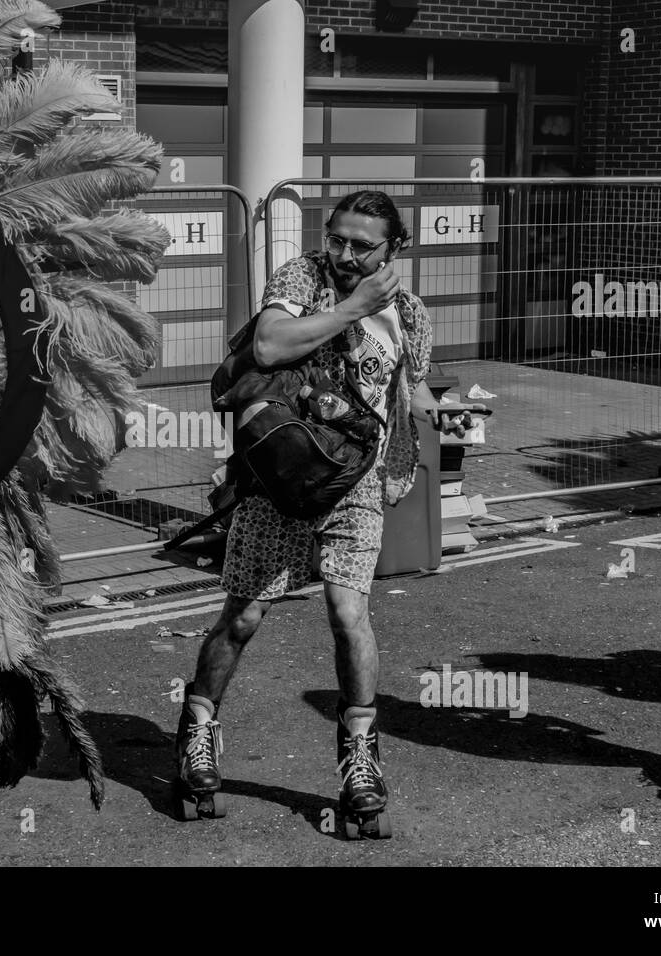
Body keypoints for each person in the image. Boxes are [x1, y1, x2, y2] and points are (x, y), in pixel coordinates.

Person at [172, 190, 478, 834]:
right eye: (336, 238)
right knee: (245, 615)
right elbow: (272, 347)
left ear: (395, 248)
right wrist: (353, 308)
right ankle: (199, 726)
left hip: (356, 483)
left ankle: (360, 757)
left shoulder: (412, 315)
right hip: (279, 478)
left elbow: (410, 385)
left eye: (361, 246)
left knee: (349, 613)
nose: (342, 253)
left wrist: (437, 413)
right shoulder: (302, 278)